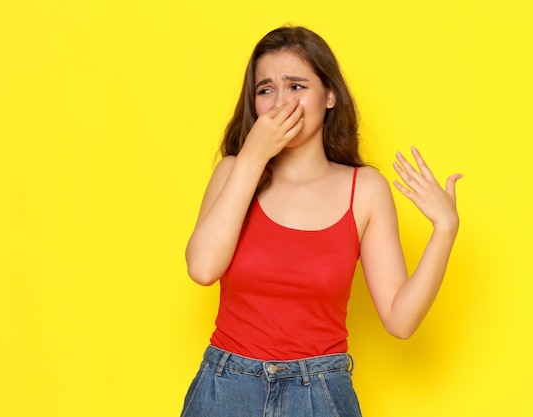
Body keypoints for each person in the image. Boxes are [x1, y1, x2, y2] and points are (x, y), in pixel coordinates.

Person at [180, 25, 462, 417]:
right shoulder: (234, 172)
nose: (281, 103)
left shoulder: (364, 189)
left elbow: (400, 320)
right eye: (266, 90)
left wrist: (444, 230)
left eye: (297, 86)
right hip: (227, 387)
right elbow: (202, 267)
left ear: (329, 95)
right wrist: (252, 156)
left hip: (319, 393)